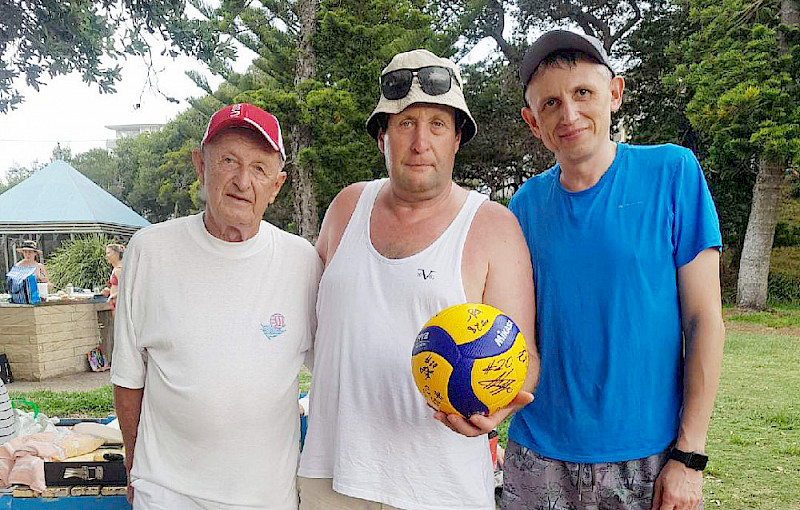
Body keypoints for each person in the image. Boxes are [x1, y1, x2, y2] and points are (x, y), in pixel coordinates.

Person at [298, 49, 539, 510]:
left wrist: (500, 406)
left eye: (437, 125)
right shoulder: (346, 208)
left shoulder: (492, 226)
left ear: (456, 140)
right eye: (405, 123)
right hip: (331, 478)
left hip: (439, 487)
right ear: (382, 138)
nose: (420, 142)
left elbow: (524, 356)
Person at [502, 30, 726, 510]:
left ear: (615, 94)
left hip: (648, 458)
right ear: (532, 122)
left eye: (583, 93)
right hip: (537, 455)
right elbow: (511, 331)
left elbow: (705, 319)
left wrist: (689, 456)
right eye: (550, 104)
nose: (569, 114)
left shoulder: (673, 173)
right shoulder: (522, 207)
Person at [112, 103, 322, 510]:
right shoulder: (149, 251)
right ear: (201, 166)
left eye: (260, 168)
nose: (243, 180)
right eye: (228, 160)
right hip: (167, 492)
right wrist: (133, 464)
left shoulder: (302, 262)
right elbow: (127, 375)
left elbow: (332, 370)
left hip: (266, 497)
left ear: (277, 186)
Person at [100, 243, 124, 308]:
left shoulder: (119, 270)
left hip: (120, 305)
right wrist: (109, 291)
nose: (106, 256)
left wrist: (113, 296)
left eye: (108, 253)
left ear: (116, 254)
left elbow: (126, 289)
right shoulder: (115, 269)